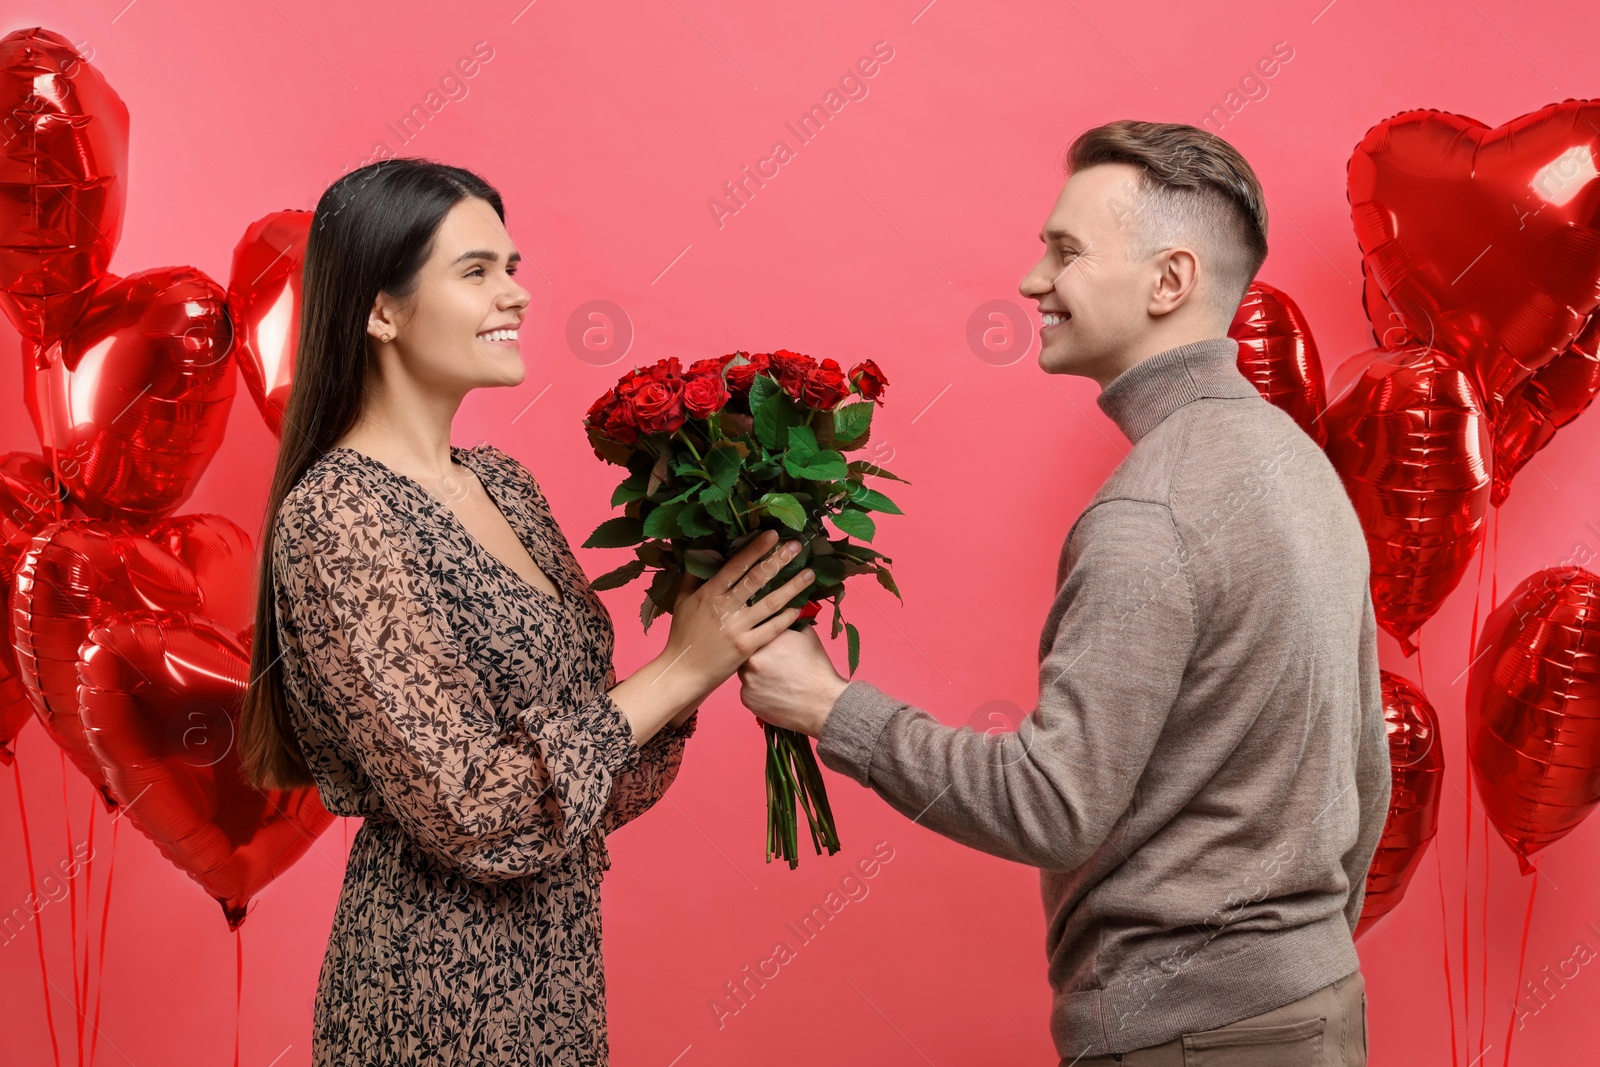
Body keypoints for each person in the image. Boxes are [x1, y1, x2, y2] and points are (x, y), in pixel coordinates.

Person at [736, 119, 1391, 1065]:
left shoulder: (1148, 510)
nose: (1032, 279)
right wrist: (1291, 967)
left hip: (1192, 1037)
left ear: (1169, 282)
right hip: (1316, 1006)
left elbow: (1053, 804)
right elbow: (1367, 775)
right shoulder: (1301, 467)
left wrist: (830, 706)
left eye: (1066, 252)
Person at [237, 157, 815, 1066]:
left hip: (559, 976)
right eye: (477, 273)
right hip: (433, 999)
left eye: (512, 267)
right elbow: (481, 814)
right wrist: (680, 669)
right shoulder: (338, 514)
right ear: (380, 310)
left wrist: (708, 622)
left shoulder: (503, 483)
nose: (518, 294)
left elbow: (593, 784)